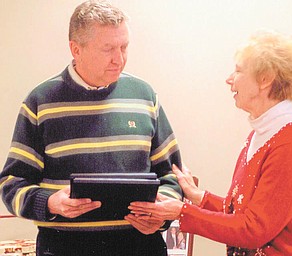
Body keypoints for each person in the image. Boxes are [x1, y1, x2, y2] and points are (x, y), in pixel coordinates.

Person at [0, 1, 183, 256]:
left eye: (124, 46)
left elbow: (172, 176)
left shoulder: (145, 96)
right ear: (76, 49)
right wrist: (50, 203)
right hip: (64, 248)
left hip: (141, 246)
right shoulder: (40, 102)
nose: (119, 59)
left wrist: (160, 215)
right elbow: (12, 184)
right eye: (108, 48)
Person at [127, 30, 292, 255]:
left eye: (238, 71)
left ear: (265, 79)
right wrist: (199, 198)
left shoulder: (289, 148)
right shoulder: (263, 135)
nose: (229, 79)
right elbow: (244, 212)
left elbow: (253, 229)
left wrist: (182, 212)